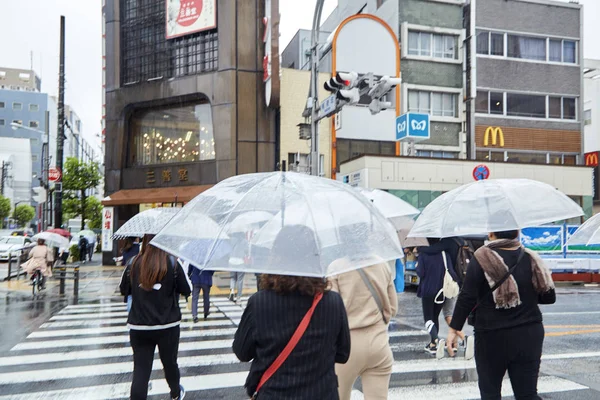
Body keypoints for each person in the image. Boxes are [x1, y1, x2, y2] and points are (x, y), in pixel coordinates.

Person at [233, 225, 351, 399]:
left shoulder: (259, 303)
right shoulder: (333, 302)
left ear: (276, 258)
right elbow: (342, 354)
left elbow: (242, 352)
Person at [447, 230, 556, 400]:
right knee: (527, 394)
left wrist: (454, 329)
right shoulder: (531, 257)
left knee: (490, 393)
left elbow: (467, 296)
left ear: (491, 234)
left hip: (492, 336)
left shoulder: (481, 257)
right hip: (529, 333)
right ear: (517, 233)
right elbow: (549, 297)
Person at [119, 234, 192, 400]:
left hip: (139, 326)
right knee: (170, 364)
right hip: (167, 325)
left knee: (141, 370)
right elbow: (187, 289)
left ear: (145, 241)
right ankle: (175, 393)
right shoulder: (173, 263)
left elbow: (124, 289)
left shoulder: (133, 263)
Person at [329, 260, 398, 400]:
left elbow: (331, 310)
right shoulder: (381, 264)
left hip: (346, 345)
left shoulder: (336, 267)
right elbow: (393, 308)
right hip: (379, 343)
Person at [419, 238, 467, 350]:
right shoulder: (453, 246)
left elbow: (421, 272)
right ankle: (450, 344)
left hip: (436, 289)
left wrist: (420, 250)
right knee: (439, 315)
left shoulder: (445, 244)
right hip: (446, 287)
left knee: (441, 316)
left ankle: (439, 340)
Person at [120, 238, 141, 312]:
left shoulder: (125, 248)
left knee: (130, 294)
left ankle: (130, 313)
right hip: (138, 273)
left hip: (128, 274)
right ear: (136, 238)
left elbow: (124, 262)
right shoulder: (139, 248)